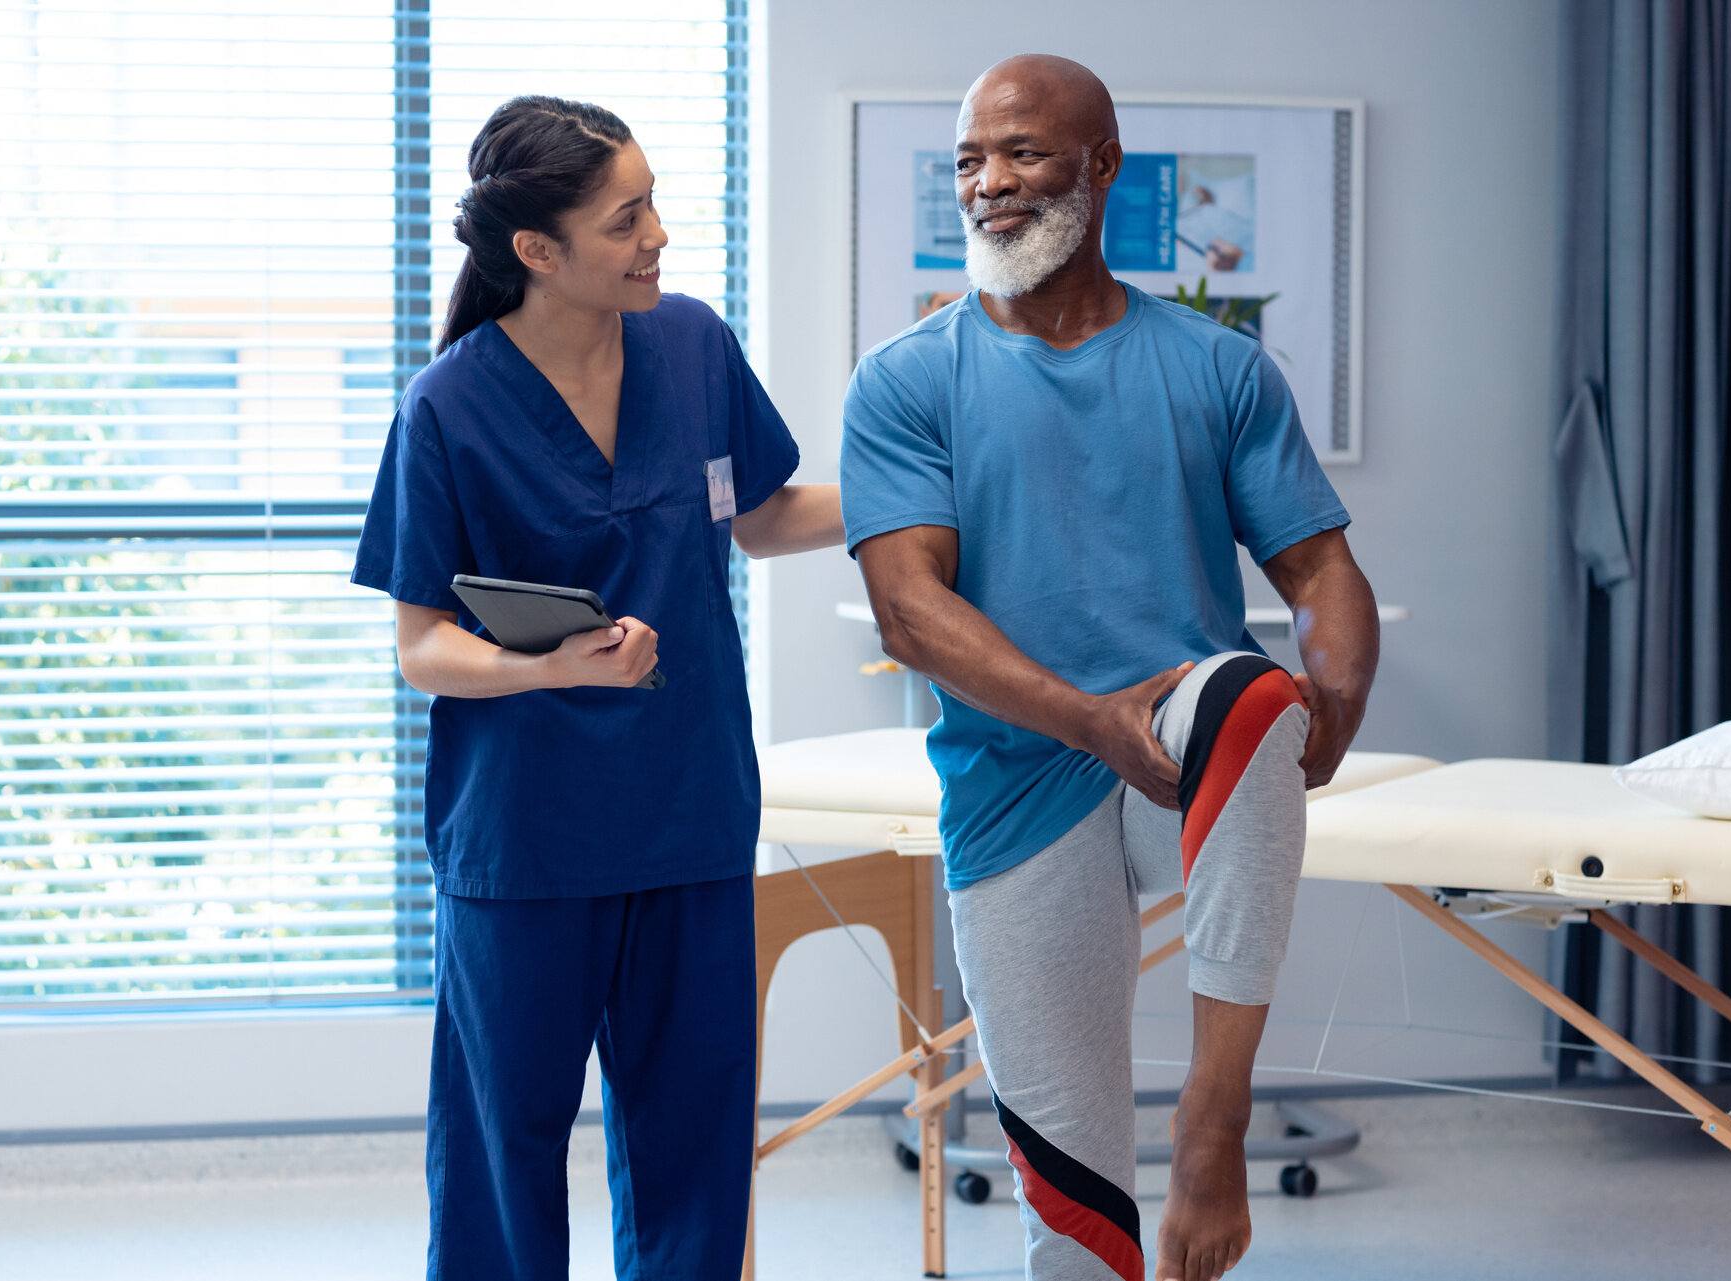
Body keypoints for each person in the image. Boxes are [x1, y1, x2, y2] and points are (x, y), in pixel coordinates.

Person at [840, 56, 1379, 1281]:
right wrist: (1088, 722)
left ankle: (1212, 1118)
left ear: (1102, 165)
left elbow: (1318, 570)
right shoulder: (908, 380)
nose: (990, 184)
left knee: (1252, 693)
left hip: (1187, 758)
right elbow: (910, 615)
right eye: (970, 160)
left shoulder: (1217, 367)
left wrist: (1335, 702)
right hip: (1020, 786)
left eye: (1022, 152)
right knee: (1079, 1230)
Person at [352, 95, 842, 1281]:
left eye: (654, 204)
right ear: (537, 251)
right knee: (500, 1149)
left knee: (696, 1145)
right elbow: (422, 647)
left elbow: (765, 518)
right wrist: (545, 665)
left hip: (689, 816)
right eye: (627, 219)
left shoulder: (693, 346)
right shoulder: (449, 408)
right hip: (528, 842)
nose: (657, 236)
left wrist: (942, 492)